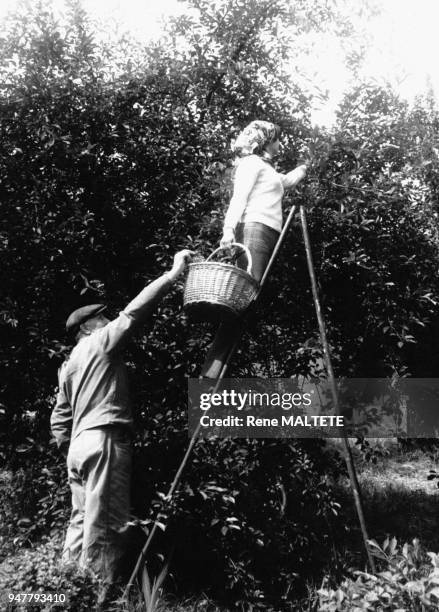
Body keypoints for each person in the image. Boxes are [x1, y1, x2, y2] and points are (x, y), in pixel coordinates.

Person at [50, 249, 193, 604]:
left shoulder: (67, 366)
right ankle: (95, 601)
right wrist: (173, 276)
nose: (107, 321)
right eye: (101, 319)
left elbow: (58, 418)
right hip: (104, 441)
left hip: (79, 449)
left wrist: (70, 445)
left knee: (80, 523)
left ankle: (64, 593)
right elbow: (134, 313)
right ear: (88, 328)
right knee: (107, 527)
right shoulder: (100, 344)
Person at [220, 120, 307, 282]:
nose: (280, 142)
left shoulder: (268, 169)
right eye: (277, 139)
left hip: (270, 231)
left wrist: (305, 167)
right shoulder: (251, 163)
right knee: (251, 283)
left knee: (256, 284)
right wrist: (228, 229)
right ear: (267, 141)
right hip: (254, 228)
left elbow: (288, 180)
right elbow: (239, 197)